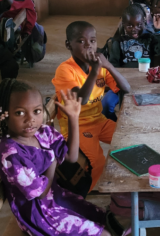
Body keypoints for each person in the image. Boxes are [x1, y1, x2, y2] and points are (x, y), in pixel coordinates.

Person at [0, 80, 126, 236]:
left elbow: (71, 156)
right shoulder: (10, 155)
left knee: (110, 221)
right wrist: (52, 162)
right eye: (20, 113)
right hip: (39, 214)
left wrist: (73, 118)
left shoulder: (42, 132)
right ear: (3, 114)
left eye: (36, 111)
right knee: (105, 234)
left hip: (56, 197)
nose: (30, 119)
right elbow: (40, 193)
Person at [52, 21, 131, 190]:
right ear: (68, 45)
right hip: (77, 127)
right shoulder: (65, 70)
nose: (89, 46)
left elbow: (126, 88)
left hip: (99, 121)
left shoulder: (100, 67)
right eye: (82, 41)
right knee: (97, 162)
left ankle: (127, 189)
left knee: (129, 140)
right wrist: (95, 71)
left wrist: (108, 65)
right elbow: (81, 100)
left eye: (93, 41)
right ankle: (87, 197)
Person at [103, 5, 160, 121]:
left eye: (139, 25)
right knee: (106, 104)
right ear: (123, 23)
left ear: (144, 21)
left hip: (147, 82)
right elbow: (113, 66)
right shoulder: (118, 42)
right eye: (129, 25)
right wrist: (119, 84)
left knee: (147, 110)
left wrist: (159, 30)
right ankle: (116, 124)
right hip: (123, 83)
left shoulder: (150, 38)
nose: (135, 29)